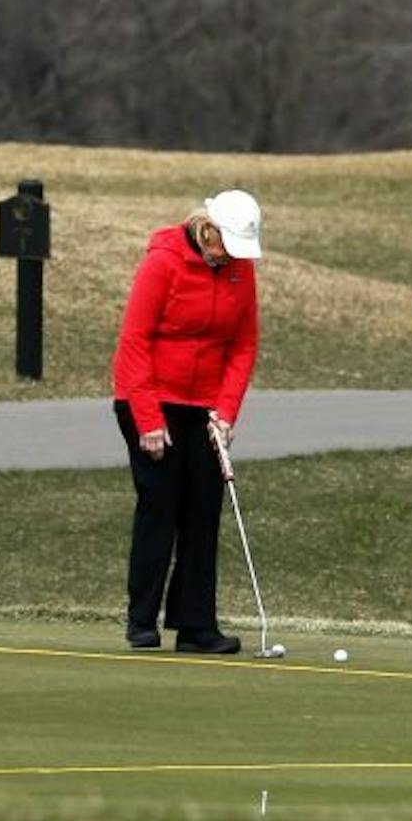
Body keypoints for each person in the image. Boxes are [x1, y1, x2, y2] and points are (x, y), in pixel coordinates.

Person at [111, 190, 262, 653]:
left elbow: (243, 345)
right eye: (226, 245)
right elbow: (134, 341)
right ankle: (142, 621)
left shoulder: (240, 269)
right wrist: (148, 420)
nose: (230, 256)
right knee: (161, 506)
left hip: (206, 408)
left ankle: (196, 626)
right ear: (207, 230)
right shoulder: (164, 262)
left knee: (203, 511)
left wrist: (226, 412)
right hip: (150, 400)